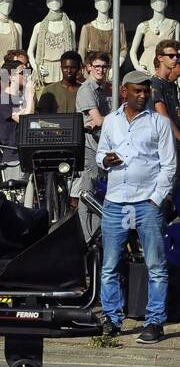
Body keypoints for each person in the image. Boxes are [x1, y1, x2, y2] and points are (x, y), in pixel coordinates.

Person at [96, 71, 177, 344]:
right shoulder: (110, 121)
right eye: (137, 91)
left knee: (156, 264)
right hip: (116, 200)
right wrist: (105, 161)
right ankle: (112, 319)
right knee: (110, 265)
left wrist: (157, 198)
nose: (143, 96)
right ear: (124, 92)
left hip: (146, 202)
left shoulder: (159, 123)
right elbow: (99, 154)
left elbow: (169, 165)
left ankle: (155, 322)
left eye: (146, 91)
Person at [76, 51, 112, 236]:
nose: (100, 70)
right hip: (90, 147)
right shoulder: (86, 89)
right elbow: (97, 120)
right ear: (89, 67)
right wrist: (118, 119)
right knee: (88, 192)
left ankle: (97, 232)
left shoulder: (106, 88)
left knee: (101, 192)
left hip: (104, 148)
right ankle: (85, 235)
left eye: (104, 67)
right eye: (96, 66)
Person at [0, 57, 36, 148]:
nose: (26, 75)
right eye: (22, 73)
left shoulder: (22, 97)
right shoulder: (3, 99)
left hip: (26, 149)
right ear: (11, 77)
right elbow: (26, 121)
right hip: (13, 153)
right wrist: (30, 95)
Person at [148, 39, 180, 144]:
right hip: (166, 140)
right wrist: (178, 136)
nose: (175, 59)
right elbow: (162, 114)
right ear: (160, 58)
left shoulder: (172, 85)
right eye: (171, 56)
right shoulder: (155, 83)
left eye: (176, 56)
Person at [35, 52, 81, 116]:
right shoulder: (49, 90)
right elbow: (42, 116)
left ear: (78, 68)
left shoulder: (83, 90)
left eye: (73, 68)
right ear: (61, 67)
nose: (69, 71)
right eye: (65, 67)